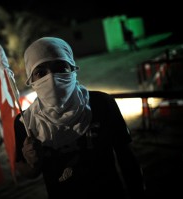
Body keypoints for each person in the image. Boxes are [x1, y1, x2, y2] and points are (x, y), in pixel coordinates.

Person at [14, 37, 146, 199]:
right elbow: (28, 171)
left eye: (60, 67)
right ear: (31, 80)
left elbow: (126, 155)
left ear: (73, 69)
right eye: (40, 72)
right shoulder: (26, 122)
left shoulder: (101, 103)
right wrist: (33, 162)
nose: (52, 78)